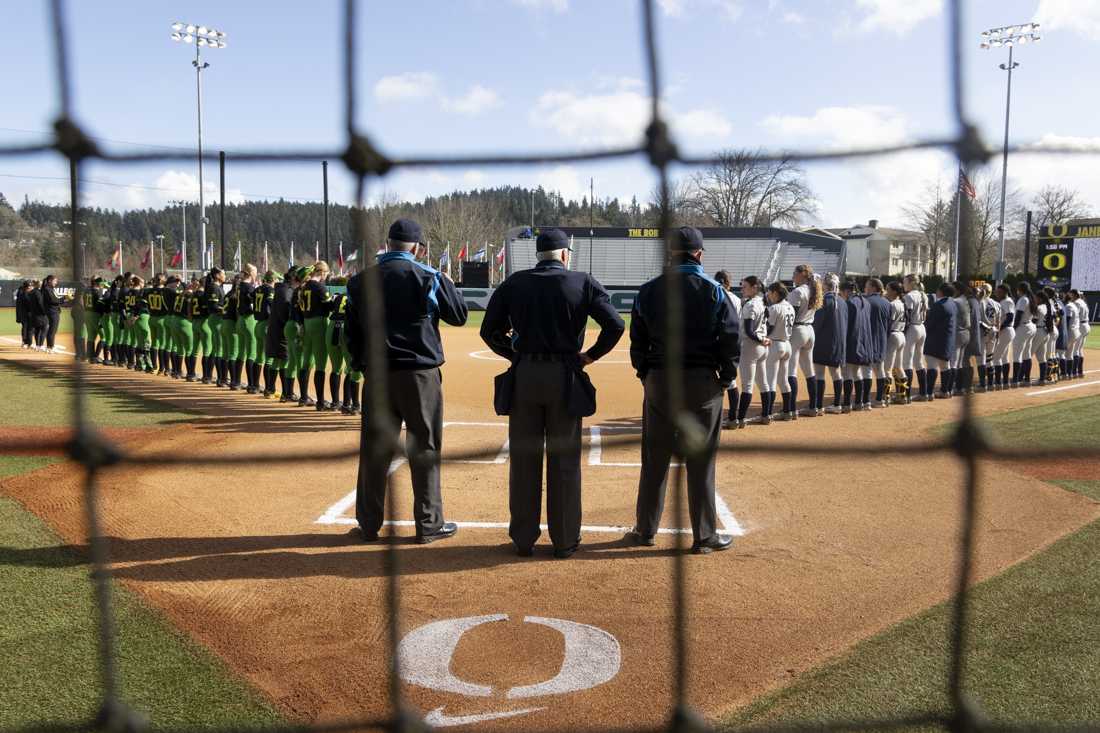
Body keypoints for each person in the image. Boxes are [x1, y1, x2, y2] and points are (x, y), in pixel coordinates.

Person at [483, 227, 624, 558]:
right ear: (564, 255)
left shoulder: (515, 282)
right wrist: (589, 356)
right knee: (564, 462)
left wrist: (514, 355)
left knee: (524, 460)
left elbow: (489, 331)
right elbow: (615, 325)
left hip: (525, 377)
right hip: (565, 377)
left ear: (539, 254)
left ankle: (523, 539)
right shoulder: (582, 282)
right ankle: (564, 540)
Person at [347, 218, 468, 545]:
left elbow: (352, 335)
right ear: (418, 248)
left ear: (388, 244)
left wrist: (362, 366)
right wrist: (446, 281)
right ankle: (428, 524)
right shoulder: (429, 277)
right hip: (419, 375)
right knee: (425, 446)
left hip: (379, 375)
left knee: (374, 449)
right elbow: (459, 316)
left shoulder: (360, 281)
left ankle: (368, 524)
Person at [626, 226, 738, 554]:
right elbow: (729, 340)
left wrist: (645, 373)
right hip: (702, 381)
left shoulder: (648, 290)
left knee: (654, 459)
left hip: (661, 379)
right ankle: (704, 535)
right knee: (701, 461)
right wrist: (725, 376)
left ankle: (645, 529)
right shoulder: (716, 291)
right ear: (699, 255)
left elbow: (638, 340)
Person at [788, 264, 823, 418]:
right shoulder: (813, 289)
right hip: (810, 330)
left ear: (802, 274)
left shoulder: (798, 291)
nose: (792, 276)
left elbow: (791, 316)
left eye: (794, 273)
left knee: (791, 370)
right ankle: (813, 406)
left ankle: (791, 409)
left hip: (798, 330)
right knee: (809, 371)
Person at [733, 275, 768, 428]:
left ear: (755, 288)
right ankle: (766, 415)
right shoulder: (762, 301)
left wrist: (761, 339)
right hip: (761, 347)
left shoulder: (751, 305)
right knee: (763, 383)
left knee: (747, 385)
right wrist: (764, 339)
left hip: (750, 346)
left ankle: (740, 419)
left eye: (745, 286)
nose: (742, 289)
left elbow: (748, 330)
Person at [811, 274, 847, 415]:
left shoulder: (824, 300)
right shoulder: (842, 301)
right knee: (836, 373)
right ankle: (837, 404)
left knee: (819, 373)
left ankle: (819, 406)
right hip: (839, 342)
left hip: (822, 342)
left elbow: (817, 323)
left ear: (825, 285)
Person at [298, 263, 332, 408]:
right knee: (320, 363)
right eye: (326, 273)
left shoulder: (305, 286)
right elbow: (329, 306)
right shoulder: (319, 287)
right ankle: (320, 401)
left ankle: (303, 397)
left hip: (307, 322)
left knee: (306, 361)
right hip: (319, 323)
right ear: (322, 272)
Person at [838, 280, 872, 413]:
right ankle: (860, 401)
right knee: (857, 373)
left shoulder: (849, 303)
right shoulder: (866, 301)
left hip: (852, 340)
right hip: (864, 340)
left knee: (847, 373)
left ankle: (847, 403)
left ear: (846, 291)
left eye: (841, 292)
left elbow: (845, 325)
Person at [764, 282, 795, 422]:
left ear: (776, 293)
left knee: (771, 380)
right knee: (783, 380)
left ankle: (768, 413)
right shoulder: (790, 306)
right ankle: (788, 411)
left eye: (770, 292)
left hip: (775, 344)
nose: (768, 295)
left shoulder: (774, 308)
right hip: (787, 344)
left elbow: (769, 329)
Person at [714, 270, 741, 427]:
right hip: (733, 340)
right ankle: (733, 416)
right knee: (731, 381)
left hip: (718, 340)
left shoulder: (717, 295)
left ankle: (716, 417)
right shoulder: (737, 299)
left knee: (712, 379)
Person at [922, 283, 958, 400]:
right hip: (948, 338)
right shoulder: (953, 303)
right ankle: (945, 391)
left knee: (932, 366)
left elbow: (930, 323)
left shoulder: (939, 305)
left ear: (941, 292)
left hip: (936, 338)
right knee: (945, 366)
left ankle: (929, 392)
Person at [864, 278, 892, 406]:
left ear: (874, 288)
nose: (865, 289)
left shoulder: (866, 301)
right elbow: (889, 324)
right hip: (882, 339)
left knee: (867, 370)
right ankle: (879, 399)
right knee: (880, 370)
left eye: (867, 286)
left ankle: (865, 400)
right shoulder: (887, 302)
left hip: (869, 338)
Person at [901, 274, 928, 403]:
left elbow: (907, 315)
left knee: (907, 362)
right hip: (922, 327)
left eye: (905, 282)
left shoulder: (910, 296)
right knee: (919, 362)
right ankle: (924, 393)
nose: (903, 284)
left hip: (912, 328)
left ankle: (906, 395)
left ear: (912, 283)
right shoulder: (924, 295)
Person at [234, 265, 259, 393]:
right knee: (252, 353)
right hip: (249, 319)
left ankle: (236, 381)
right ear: (250, 274)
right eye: (255, 273)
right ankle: (252, 384)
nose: (256, 275)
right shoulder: (249, 287)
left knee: (241, 352)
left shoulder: (239, 286)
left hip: (240, 320)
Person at [254, 271, 277, 396]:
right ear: (273, 279)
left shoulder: (258, 289)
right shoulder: (270, 290)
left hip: (257, 323)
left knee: (258, 357)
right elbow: (271, 306)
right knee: (269, 359)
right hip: (266, 324)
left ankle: (254, 385)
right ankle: (268, 389)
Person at [884, 281, 907, 402]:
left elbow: (889, 323)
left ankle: (885, 397)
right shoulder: (901, 303)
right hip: (901, 335)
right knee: (899, 367)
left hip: (893, 335)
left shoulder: (892, 304)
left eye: (887, 289)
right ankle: (902, 396)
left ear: (893, 291)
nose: (885, 291)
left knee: (887, 369)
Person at [1011, 282, 1037, 388]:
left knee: (1017, 354)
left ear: (1020, 289)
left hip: (1022, 327)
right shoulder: (1031, 298)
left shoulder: (1023, 299)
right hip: (1030, 326)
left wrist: (1014, 328)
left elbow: (1018, 315)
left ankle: (1016, 379)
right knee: (1026, 354)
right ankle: (1026, 378)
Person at [990, 283, 1015, 390]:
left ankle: (998, 382)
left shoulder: (1006, 301)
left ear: (1005, 292)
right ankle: (1004, 381)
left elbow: (1010, 317)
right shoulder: (1005, 301)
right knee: (1004, 357)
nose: (997, 293)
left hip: (1006, 330)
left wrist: (1000, 328)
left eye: (999, 292)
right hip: (1007, 331)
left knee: (996, 357)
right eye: (996, 291)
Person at [42, 275, 62, 354]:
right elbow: (53, 300)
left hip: (54, 311)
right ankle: (50, 347)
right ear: (50, 280)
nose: (56, 282)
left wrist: (65, 298)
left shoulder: (51, 288)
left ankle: (50, 346)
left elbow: (56, 299)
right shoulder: (47, 289)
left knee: (53, 330)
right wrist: (65, 299)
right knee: (52, 330)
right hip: (52, 311)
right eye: (55, 281)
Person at [15, 280, 32, 349]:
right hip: (25, 314)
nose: (31, 287)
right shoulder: (24, 293)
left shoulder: (21, 292)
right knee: (26, 328)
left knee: (27, 328)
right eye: (29, 285)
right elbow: (28, 303)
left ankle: (26, 342)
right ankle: (25, 342)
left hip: (24, 313)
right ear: (26, 286)